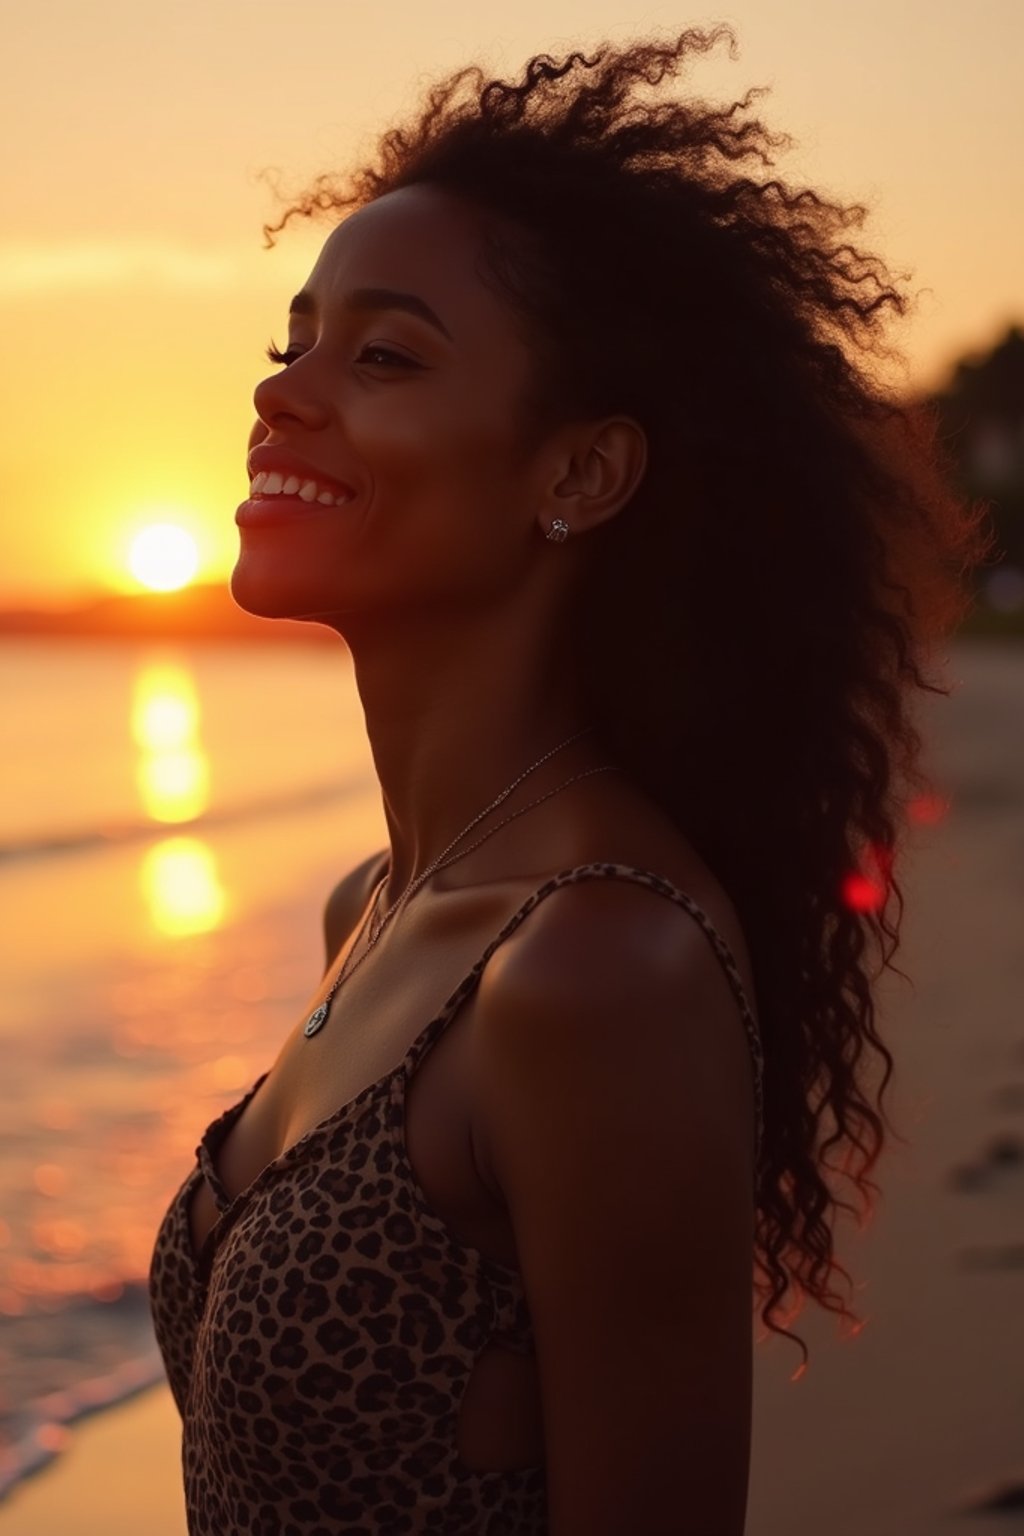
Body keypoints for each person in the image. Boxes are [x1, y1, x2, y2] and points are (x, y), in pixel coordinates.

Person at [148, 26, 990, 1536]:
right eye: (296, 344)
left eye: (385, 354)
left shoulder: (602, 962)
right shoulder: (382, 904)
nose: (285, 395)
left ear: (580, 476)